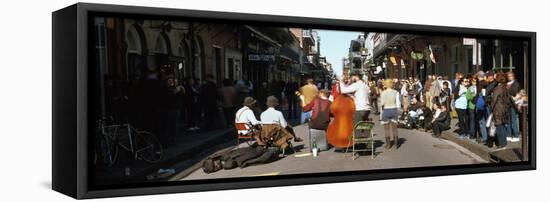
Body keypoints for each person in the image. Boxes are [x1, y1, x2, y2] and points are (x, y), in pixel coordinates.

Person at [491, 72, 514, 148]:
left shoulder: (497, 88)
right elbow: (509, 99)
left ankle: (502, 144)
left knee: (499, 127)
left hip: (498, 109)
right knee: (503, 126)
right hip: (505, 109)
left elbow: (494, 100)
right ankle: (504, 143)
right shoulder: (505, 87)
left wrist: (491, 108)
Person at [380, 79, 401, 150]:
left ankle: (388, 145)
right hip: (394, 110)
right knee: (395, 129)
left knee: (386, 129)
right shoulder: (396, 92)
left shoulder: (383, 93)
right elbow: (398, 104)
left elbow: (382, 104)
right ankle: (396, 144)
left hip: (386, 110)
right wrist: (398, 113)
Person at [506, 72, 521, 142]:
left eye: (511, 76)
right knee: (508, 120)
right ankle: (509, 134)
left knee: (514, 120)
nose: (509, 77)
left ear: (513, 76)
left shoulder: (516, 83)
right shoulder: (507, 83)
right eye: (508, 76)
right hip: (507, 104)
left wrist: (507, 91)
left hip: (514, 104)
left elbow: (514, 92)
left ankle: (516, 135)